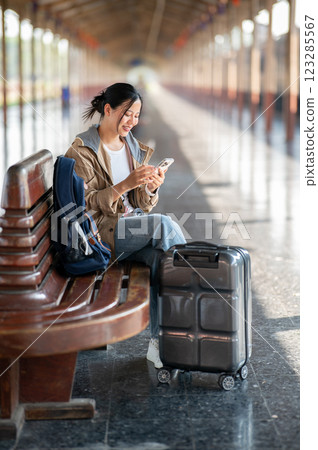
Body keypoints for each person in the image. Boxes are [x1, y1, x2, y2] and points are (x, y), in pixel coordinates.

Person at [65, 82, 186, 368]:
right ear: (108, 110)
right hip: (101, 234)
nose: (132, 121)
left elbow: (141, 204)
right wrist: (124, 185)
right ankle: (192, 286)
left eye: (136, 115)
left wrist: (151, 188)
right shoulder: (82, 151)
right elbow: (86, 204)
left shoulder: (133, 148)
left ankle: (160, 344)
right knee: (164, 226)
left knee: (160, 259)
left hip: (129, 230)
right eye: (127, 114)